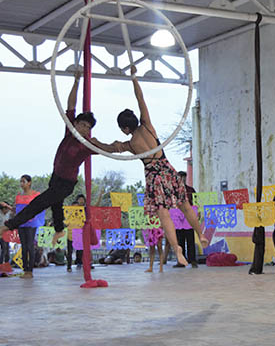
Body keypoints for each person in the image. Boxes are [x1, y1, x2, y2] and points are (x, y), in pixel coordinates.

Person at [90, 66, 209, 265]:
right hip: (167, 168)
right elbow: (141, 99)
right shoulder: (147, 126)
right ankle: (201, 234)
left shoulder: (130, 143)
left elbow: (110, 148)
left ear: (124, 128)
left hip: (154, 175)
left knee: (164, 214)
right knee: (185, 206)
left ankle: (177, 248)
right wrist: (135, 78)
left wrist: (95, 142)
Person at [0, 72, 97, 246]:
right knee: (56, 204)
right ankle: (59, 230)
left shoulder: (86, 144)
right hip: (55, 175)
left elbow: (106, 148)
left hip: (66, 183)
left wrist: (122, 146)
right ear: (76, 124)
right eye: (82, 124)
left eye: (87, 127)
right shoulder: (70, 131)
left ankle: (4, 228)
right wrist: (76, 80)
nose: (84, 129)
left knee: (38, 203)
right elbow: (71, 104)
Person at [15, 175, 41, 279]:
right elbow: (16, 209)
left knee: (30, 246)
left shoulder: (36, 195)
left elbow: (40, 208)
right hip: (21, 223)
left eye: (24, 181)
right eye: (20, 181)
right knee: (24, 246)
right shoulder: (18, 196)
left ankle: (30, 270)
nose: (21, 184)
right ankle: (25, 269)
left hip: (32, 223)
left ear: (29, 183)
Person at [175, 171, 197, 268]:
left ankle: (193, 261)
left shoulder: (191, 190)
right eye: (180, 178)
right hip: (178, 220)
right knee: (180, 241)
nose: (182, 180)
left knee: (190, 240)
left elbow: (196, 202)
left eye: (184, 178)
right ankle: (181, 261)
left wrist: (197, 212)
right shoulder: (174, 191)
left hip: (189, 219)